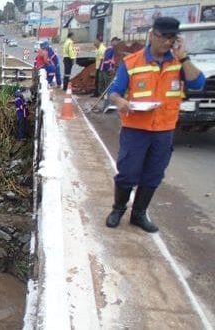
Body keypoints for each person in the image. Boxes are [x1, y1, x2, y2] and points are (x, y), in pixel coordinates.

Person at [105, 17, 205, 232]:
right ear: (152, 35)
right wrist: (120, 101)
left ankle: (139, 214)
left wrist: (184, 57)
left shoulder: (179, 63)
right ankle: (118, 209)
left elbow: (198, 83)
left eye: (172, 38)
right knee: (127, 172)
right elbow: (114, 92)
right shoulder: (132, 63)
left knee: (153, 173)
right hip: (135, 130)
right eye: (163, 37)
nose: (167, 42)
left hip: (164, 130)